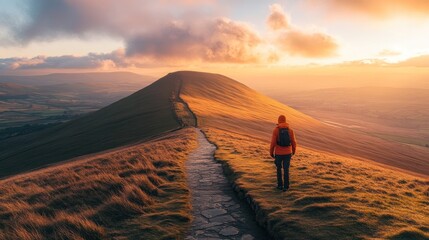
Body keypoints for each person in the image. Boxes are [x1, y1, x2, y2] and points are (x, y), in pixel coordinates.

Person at [270, 115, 297, 192]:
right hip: (288, 153)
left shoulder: (276, 130)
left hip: (278, 153)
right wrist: (293, 151)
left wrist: (271, 153)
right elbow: (294, 142)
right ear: (285, 121)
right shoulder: (290, 130)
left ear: (278, 121)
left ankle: (280, 185)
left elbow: (273, 143)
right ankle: (286, 187)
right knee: (286, 169)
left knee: (279, 169)